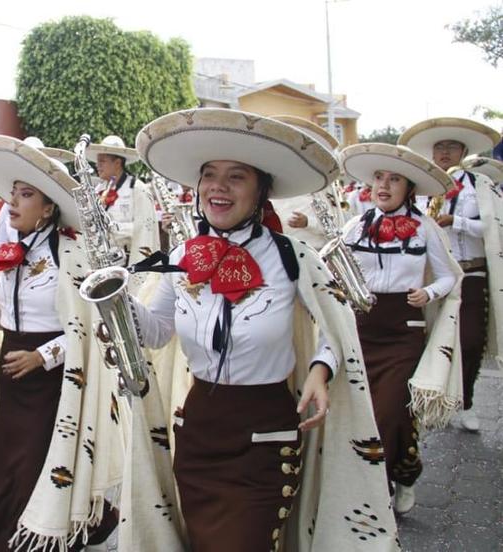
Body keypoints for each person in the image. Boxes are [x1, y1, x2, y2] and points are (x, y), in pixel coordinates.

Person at [126, 108, 398, 550]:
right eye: (209, 174)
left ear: (261, 191)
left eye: (236, 176)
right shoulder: (181, 256)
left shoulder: (294, 257)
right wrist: (117, 299)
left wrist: (320, 370)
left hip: (265, 434)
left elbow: (338, 326)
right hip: (198, 431)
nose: (218, 185)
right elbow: (156, 332)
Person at [0, 135, 120, 551]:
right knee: (7, 472)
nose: (12, 203)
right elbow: (4, 312)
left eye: (26, 195)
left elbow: (89, 331)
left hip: (54, 384)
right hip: (12, 376)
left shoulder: (70, 254)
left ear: (49, 207)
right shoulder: (9, 252)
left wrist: (44, 356)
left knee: (39, 473)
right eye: (13, 194)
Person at [340, 142, 462, 515]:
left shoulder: (425, 228)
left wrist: (427, 292)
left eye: (394, 179)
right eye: (379, 177)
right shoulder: (354, 225)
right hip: (361, 328)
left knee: (391, 411)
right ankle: (387, 476)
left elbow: (449, 279)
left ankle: (393, 480)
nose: (384, 185)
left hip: (403, 330)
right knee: (361, 413)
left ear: (409, 188)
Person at [399, 118, 503, 432]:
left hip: (470, 273)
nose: (445, 152)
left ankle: (465, 402)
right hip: (428, 276)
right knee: (425, 339)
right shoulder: (418, 185)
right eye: (439, 147)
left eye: (451, 146)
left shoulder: (481, 185)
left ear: (463, 150)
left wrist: (455, 221)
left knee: (470, 341)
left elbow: (495, 227)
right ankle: (427, 398)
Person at [268, 115, 345, 250]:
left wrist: (307, 222)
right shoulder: (270, 188)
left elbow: (336, 227)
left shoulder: (319, 188)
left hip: (317, 255)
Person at [87, 135, 160, 267]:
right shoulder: (99, 189)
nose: (97, 166)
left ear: (117, 163)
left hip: (129, 263)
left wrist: (111, 229)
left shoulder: (138, 188)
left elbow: (145, 230)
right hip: (103, 262)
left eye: (102, 161)